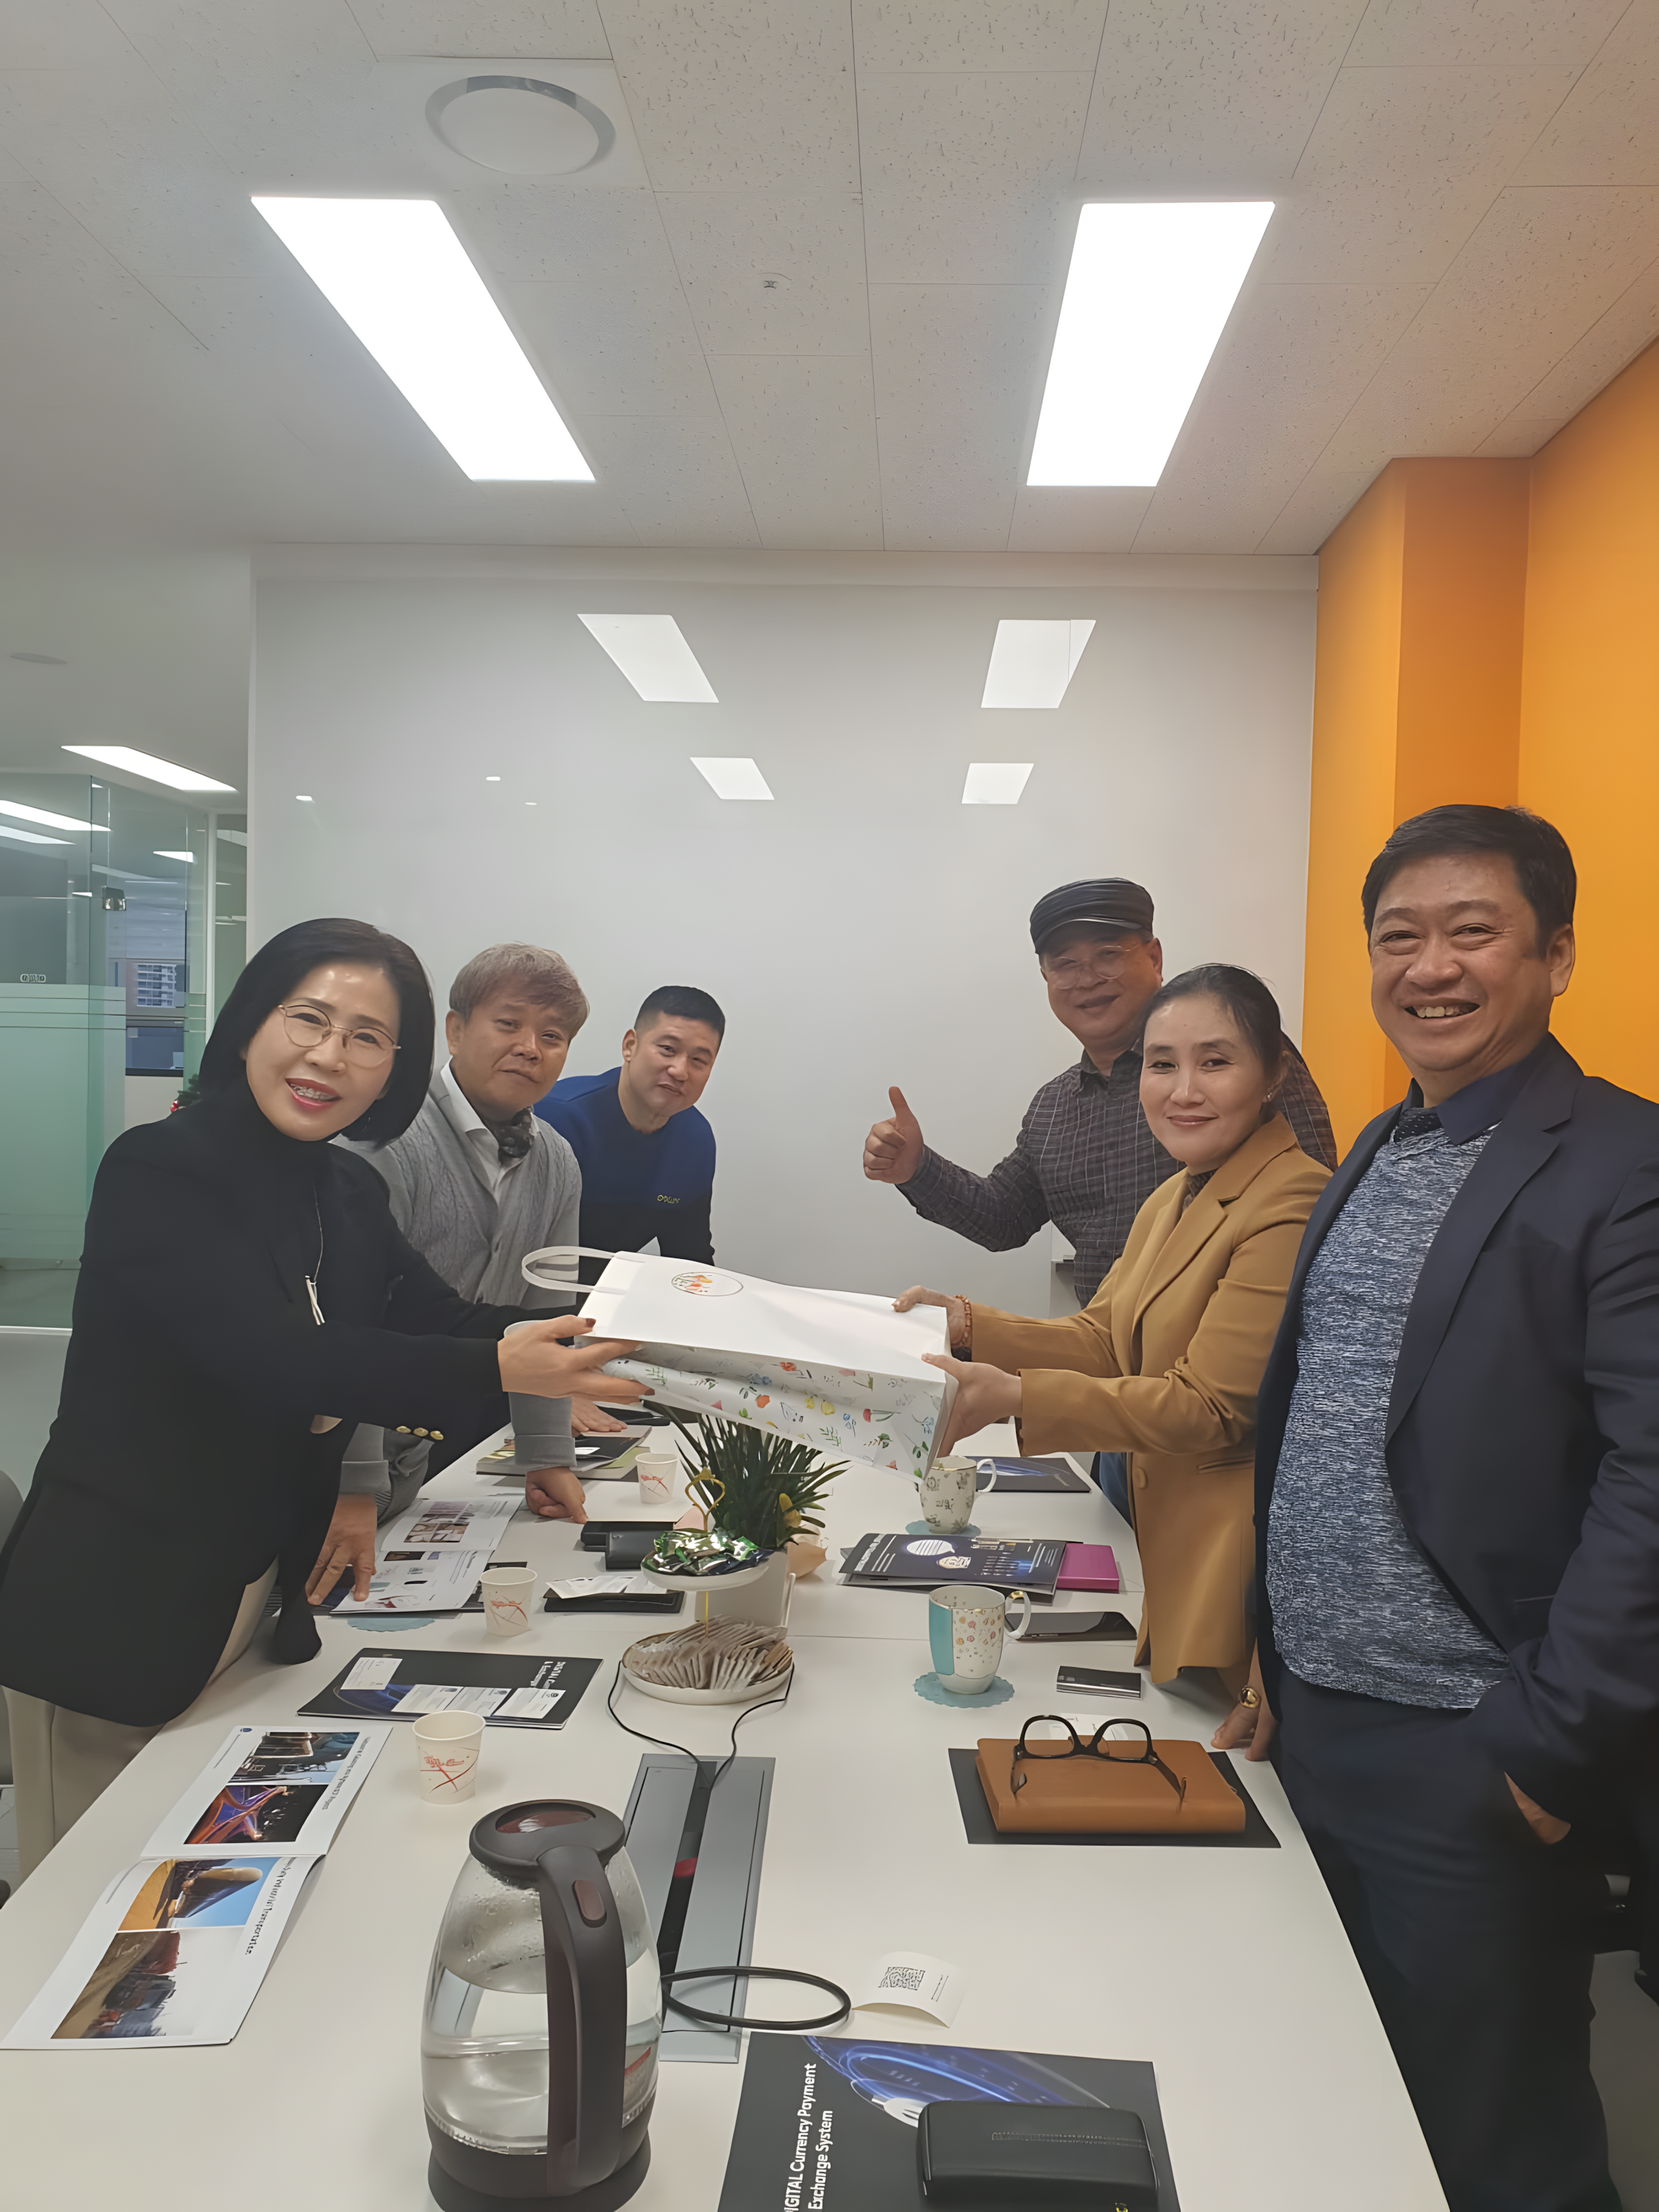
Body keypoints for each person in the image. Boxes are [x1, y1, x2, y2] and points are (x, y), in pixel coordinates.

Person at [0, 918, 644, 1877]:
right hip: (118, 1605)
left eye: (367, 1037)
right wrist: (500, 1367)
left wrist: (623, 1323)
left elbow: (440, 1314)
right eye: (309, 1019)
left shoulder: (343, 1187)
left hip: (248, 1586)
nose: (330, 1055)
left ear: (393, 1071)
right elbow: (279, 1360)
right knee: (86, 1898)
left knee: (193, 1878)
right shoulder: (160, 1169)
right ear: (250, 1023)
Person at [1239, 805, 1659, 2212]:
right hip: (1317, 1724)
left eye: (1472, 932)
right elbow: (1322, 1419)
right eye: (1399, 937)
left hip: (1472, 1750)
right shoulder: (1381, 1143)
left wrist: (1546, 1747)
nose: (1429, 967)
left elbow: (1652, 1481)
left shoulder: (1625, 1162)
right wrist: (1275, 1649)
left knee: (1500, 2146)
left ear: (1557, 955)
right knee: (1344, 2099)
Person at [897, 966, 1328, 1690]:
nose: (1183, 1090)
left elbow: (1208, 1406)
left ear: (1273, 1075)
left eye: (1215, 1062)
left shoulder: (1292, 1199)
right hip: (1157, 1517)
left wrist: (1015, 1395)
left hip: (1234, 1558)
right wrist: (965, 1324)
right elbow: (1104, 1340)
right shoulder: (1176, 1193)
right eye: (1162, 1065)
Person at [863, 878, 1335, 1306]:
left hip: (1237, 1341)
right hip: (1104, 1351)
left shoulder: (1238, 1065)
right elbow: (1003, 1218)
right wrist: (917, 1167)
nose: (1087, 979)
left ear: (1154, 958)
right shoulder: (1053, 1108)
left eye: (1108, 955)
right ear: (1046, 978)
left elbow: (1315, 1213)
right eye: (1065, 964)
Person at [307, 945, 594, 1606]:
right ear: (456, 1030)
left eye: (552, 1036)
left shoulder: (557, 1162)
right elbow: (350, 1323)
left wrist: (546, 1454)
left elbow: (546, 1319)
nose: (529, 1048)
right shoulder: (383, 1141)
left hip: (431, 1458)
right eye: (508, 1024)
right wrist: (352, 1483)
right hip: (336, 1458)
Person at [537, 984, 724, 1437]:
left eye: (699, 1060)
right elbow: (514, 1264)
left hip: (595, 1328)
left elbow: (689, 1265)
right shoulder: (557, 1120)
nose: (680, 1070)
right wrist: (552, 1380)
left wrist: (718, 1364)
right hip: (516, 1327)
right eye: (667, 1049)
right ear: (630, 1046)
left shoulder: (696, 1141)